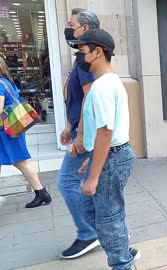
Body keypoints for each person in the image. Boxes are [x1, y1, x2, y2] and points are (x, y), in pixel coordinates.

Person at [69, 28, 141, 270]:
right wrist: (92, 161)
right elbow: (107, 133)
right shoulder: (108, 82)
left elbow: (105, 131)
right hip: (113, 154)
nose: (79, 57)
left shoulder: (102, 87)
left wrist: (93, 176)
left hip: (113, 156)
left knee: (107, 216)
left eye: (82, 51)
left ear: (98, 52)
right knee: (97, 211)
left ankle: (122, 263)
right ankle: (122, 248)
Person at [58, 8, 100, 259]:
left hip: (87, 133)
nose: (68, 27)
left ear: (84, 28)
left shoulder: (86, 59)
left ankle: (88, 233)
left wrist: (80, 135)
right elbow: (76, 98)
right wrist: (69, 126)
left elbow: (89, 98)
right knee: (95, 184)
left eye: (71, 23)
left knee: (67, 181)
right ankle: (106, 229)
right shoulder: (80, 58)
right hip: (80, 129)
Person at [0, 57, 52, 209]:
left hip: (6, 132)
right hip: (12, 129)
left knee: (21, 162)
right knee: (20, 162)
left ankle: (41, 192)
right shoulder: (7, 81)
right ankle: (41, 192)